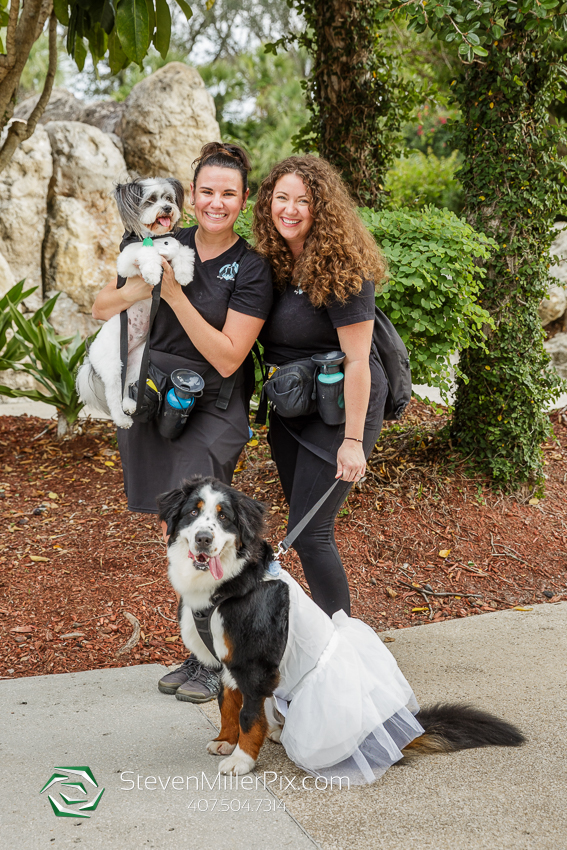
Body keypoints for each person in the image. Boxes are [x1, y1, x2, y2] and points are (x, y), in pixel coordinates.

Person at [92, 142, 273, 702]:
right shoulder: (156, 241)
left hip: (214, 406)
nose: (216, 202)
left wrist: (172, 290)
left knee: (209, 535)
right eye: (207, 191)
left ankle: (221, 660)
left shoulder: (253, 268)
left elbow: (226, 356)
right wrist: (143, 284)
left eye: (229, 193)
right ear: (190, 196)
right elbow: (102, 307)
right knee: (182, 536)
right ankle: (200, 650)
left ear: (243, 200)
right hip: (157, 398)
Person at [253, 155, 388, 618]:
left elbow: (357, 362)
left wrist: (353, 442)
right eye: (281, 197)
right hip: (292, 411)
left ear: (321, 208)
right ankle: (318, 639)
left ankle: (344, 648)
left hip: (340, 413)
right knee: (305, 527)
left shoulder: (343, 267)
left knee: (310, 533)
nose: (289, 209)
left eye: (303, 201)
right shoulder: (271, 262)